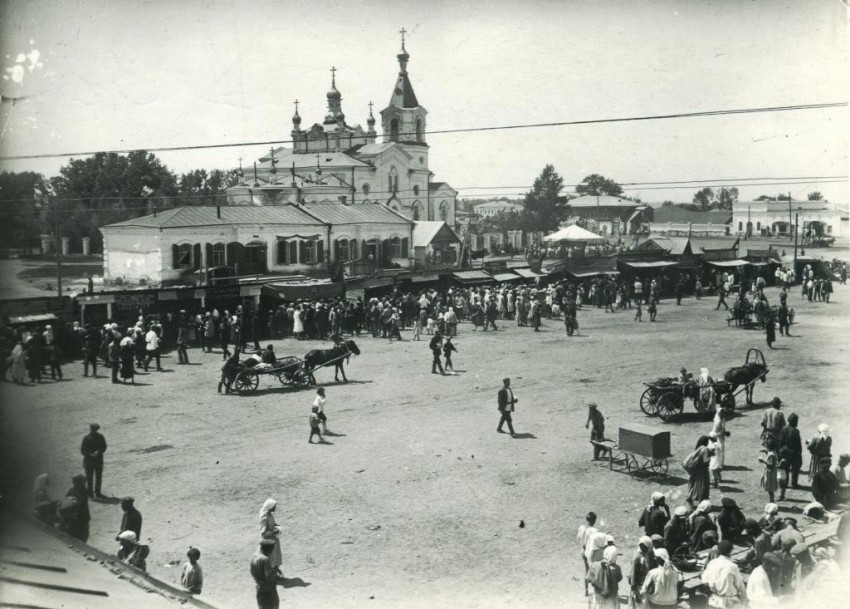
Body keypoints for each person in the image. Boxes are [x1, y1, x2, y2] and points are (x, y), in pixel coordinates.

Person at [701, 540, 746, 608]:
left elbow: (704, 581)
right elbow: (740, 587)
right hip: (729, 603)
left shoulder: (712, 563)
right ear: (730, 552)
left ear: (718, 551)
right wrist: (744, 602)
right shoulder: (733, 566)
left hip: (714, 601)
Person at [585, 542, 622, 609]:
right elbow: (619, 578)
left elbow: (588, 578)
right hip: (612, 599)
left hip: (598, 597)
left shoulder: (595, 565)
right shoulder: (617, 568)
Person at [59, 473, 90, 542]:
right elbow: (65, 500)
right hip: (77, 519)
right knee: (79, 537)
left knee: (82, 537)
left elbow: (81, 502)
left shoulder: (83, 491)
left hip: (81, 518)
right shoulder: (74, 490)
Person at [251, 540, 280, 609]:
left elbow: (252, 572)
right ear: (267, 549)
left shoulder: (254, 557)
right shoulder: (265, 559)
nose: (271, 552)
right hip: (268, 591)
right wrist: (275, 569)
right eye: (271, 549)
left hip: (259, 589)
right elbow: (269, 576)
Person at [80, 423, 106, 499]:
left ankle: (98, 493)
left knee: (98, 478)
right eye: (93, 429)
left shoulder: (101, 437)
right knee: (89, 478)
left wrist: (98, 451)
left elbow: (104, 447)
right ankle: (90, 494)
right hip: (89, 461)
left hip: (98, 460)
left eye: (95, 429)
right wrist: (90, 454)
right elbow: (82, 451)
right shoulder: (86, 438)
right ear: (90, 429)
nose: (94, 431)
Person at [684, 435, 712, 506]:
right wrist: (710, 455)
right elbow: (705, 461)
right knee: (702, 486)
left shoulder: (698, 448)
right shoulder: (705, 449)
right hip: (702, 470)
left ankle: (689, 498)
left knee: (693, 484)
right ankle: (701, 502)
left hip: (695, 469)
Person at [258, 499, 283, 576]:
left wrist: (275, 525)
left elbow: (271, 523)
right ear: (270, 507)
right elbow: (263, 532)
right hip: (269, 543)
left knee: (275, 559)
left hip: (273, 541)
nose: (275, 508)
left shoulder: (269, 514)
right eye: (274, 506)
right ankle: (271, 577)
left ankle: (275, 574)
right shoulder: (265, 517)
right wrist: (273, 532)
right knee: (271, 560)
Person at [779, 413, 803, 489]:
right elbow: (798, 443)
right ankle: (794, 484)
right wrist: (799, 452)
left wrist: (782, 449)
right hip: (794, 452)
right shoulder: (795, 431)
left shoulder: (783, 428)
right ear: (793, 421)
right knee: (795, 468)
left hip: (785, 450)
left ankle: (785, 483)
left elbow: (781, 441)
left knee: (786, 468)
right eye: (796, 421)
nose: (797, 422)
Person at [578, 511, 599, 595]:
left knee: (586, 570)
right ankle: (595, 589)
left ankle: (586, 591)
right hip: (591, 552)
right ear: (594, 521)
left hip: (584, 552)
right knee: (594, 570)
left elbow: (582, 541)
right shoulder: (595, 530)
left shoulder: (584, 529)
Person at [759, 437, 780, 503]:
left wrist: (763, 461)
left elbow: (771, 464)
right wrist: (765, 451)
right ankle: (771, 500)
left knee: (770, 489)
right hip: (772, 472)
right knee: (770, 488)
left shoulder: (772, 455)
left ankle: (772, 501)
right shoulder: (774, 452)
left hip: (770, 473)